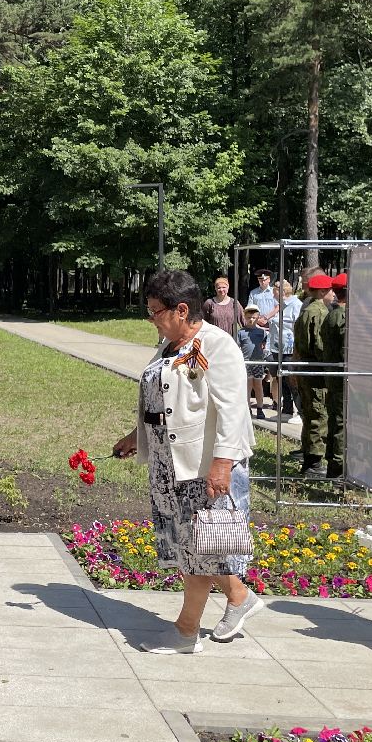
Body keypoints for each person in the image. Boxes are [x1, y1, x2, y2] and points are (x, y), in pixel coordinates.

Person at [112, 270, 259, 652]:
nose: (151, 319)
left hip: (201, 465)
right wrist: (137, 436)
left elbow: (232, 410)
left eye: (155, 312)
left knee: (199, 549)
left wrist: (222, 464)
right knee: (189, 547)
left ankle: (186, 631)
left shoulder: (215, 345)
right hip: (167, 464)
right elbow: (162, 397)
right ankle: (239, 597)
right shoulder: (170, 345)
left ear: (181, 310)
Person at [293, 272, 333, 476]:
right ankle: (314, 463)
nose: (333, 295)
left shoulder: (307, 310)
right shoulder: (319, 312)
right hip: (317, 371)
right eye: (330, 290)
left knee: (310, 414)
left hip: (306, 370)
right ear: (322, 291)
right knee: (319, 415)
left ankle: (310, 458)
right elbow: (319, 344)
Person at [321, 272, 348, 478]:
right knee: (340, 422)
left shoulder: (331, 314)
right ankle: (337, 467)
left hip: (334, 375)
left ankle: (333, 462)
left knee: (335, 421)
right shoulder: (342, 317)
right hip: (342, 377)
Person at [269, 279, 301, 421]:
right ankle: (286, 410)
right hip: (278, 348)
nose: (272, 292)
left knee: (292, 380)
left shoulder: (295, 305)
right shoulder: (279, 306)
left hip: (290, 349)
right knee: (281, 380)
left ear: (281, 291)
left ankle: (300, 412)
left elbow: (298, 327)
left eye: (274, 290)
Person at [240, 305, 271, 419]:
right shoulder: (241, 332)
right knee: (247, 385)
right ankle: (247, 408)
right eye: (249, 317)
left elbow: (264, 346)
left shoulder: (262, 333)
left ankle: (260, 408)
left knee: (258, 385)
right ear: (245, 317)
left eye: (253, 317)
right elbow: (238, 346)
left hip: (258, 362)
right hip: (246, 362)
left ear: (257, 317)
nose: (251, 320)